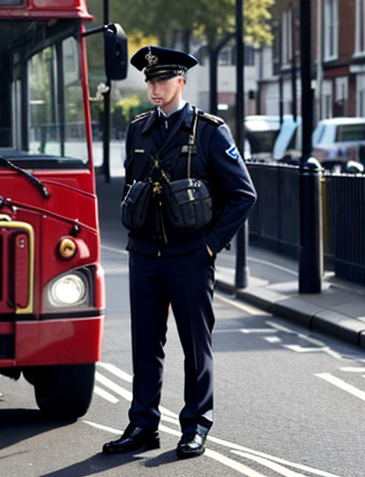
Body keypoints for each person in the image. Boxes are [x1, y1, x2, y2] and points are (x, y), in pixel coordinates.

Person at [102, 46, 257, 459]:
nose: (154, 88)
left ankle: (196, 424)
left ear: (181, 81)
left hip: (190, 254)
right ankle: (143, 424)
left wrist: (209, 245)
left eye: (162, 80)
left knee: (194, 344)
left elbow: (243, 194)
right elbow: (134, 188)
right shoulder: (138, 130)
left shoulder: (208, 130)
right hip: (144, 253)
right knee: (145, 344)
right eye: (150, 81)